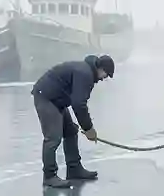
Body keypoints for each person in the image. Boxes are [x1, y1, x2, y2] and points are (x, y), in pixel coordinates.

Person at [32, 54, 114, 186]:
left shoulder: (86, 71)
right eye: (106, 74)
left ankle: (74, 168)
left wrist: (87, 128)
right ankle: (49, 176)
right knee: (53, 138)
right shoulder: (85, 74)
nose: (104, 78)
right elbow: (78, 104)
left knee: (70, 131)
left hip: (57, 99)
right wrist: (89, 129)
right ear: (100, 68)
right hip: (46, 97)